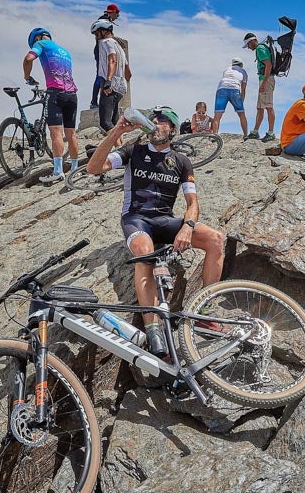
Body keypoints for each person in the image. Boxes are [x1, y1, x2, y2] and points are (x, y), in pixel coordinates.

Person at [86, 105, 225, 356]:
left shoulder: (182, 161)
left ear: (172, 129)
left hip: (164, 220)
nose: (156, 123)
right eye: (153, 120)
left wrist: (187, 227)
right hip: (136, 218)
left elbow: (193, 204)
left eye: (162, 121)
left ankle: (204, 311)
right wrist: (118, 129)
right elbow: (94, 168)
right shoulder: (134, 151)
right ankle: (154, 332)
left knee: (215, 239)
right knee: (145, 251)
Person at [23, 27, 80, 184]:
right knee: (71, 134)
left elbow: (28, 58)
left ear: (37, 39)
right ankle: (75, 170)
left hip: (55, 93)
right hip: (72, 94)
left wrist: (27, 77)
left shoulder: (41, 45)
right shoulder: (65, 51)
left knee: (56, 134)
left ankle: (58, 171)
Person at [92, 18, 130, 132]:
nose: (95, 36)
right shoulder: (120, 48)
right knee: (114, 121)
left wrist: (108, 81)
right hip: (121, 88)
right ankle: (119, 145)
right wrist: (124, 84)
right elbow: (128, 72)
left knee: (105, 122)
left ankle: (118, 147)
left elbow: (112, 60)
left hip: (109, 84)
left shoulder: (105, 42)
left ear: (104, 31)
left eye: (96, 33)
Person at [243, 33, 276, 142]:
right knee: (260, 107)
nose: (248, 47)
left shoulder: (260, 49)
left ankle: (271, 133)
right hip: (265, 79)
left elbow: (268, 65)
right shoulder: (262, 48)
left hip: (266, 79)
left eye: (248, 44)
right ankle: (255, 131)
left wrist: (263, 83)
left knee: (268, 106)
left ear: (252, 41)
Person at [90, 3, 120, 109]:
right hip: (101, 51)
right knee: (100, 75)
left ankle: (98, 101)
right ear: (114, 12)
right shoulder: (104, 20)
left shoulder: (107, 20)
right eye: (118, 14)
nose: (118, 17)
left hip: (103, 50)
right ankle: (94, 102)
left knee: (103, 75)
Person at [211, 57, 249, 138]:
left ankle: (215, 135)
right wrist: (241, 101)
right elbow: (243, 88)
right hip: (234, 89)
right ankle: (246, 135)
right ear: (241, 64)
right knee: (241, 114)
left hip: (221, 89)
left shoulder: (227, 69)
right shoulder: (243, 72)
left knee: (217, 115)